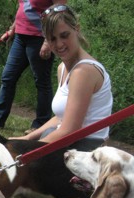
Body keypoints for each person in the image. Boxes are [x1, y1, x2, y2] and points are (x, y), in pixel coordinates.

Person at [10, 4, 113, 151]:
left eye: (64, 35)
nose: (59, 44)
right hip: (69, 145)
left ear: (76, 29)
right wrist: (27, 138)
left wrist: (28, 149)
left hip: (86, 152)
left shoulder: (83, 72)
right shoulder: (62, 68)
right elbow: (61, 118)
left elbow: (70, 130)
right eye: (52, 39)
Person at [0, 0, 66, 133]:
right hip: (20, 37)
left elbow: (59, 11)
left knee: (41, 82)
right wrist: (12, 29)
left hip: (39, 38)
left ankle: (40, 125)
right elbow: (24, 7)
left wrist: (48, 41)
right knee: (8, 77)